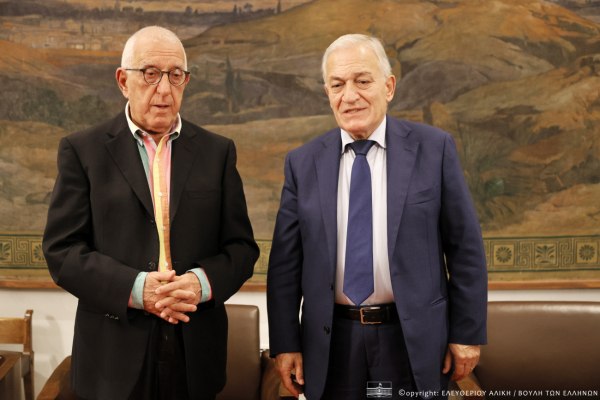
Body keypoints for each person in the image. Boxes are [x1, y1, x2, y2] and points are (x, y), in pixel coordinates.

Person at [42, 26, 259, 400]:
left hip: (194, 350)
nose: (164, 89)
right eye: (150, 73)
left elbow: (241, 249)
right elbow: (62, 252)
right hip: (112, 353)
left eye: (175, 75)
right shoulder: (83, 151)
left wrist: (201, 283)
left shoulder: (217, 152)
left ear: (186, 81)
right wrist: (137, 288)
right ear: (123, 81)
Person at [267, 33, 487, 400]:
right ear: (327, 93)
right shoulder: (302, 163)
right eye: (337, 84)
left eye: (362, 81)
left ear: (389, 87)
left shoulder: (434, 149)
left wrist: (466, 332)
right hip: (333, 342)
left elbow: (465, 248)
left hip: (412, 339)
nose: (349, 95)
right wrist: (285, 343)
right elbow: (285, 265)